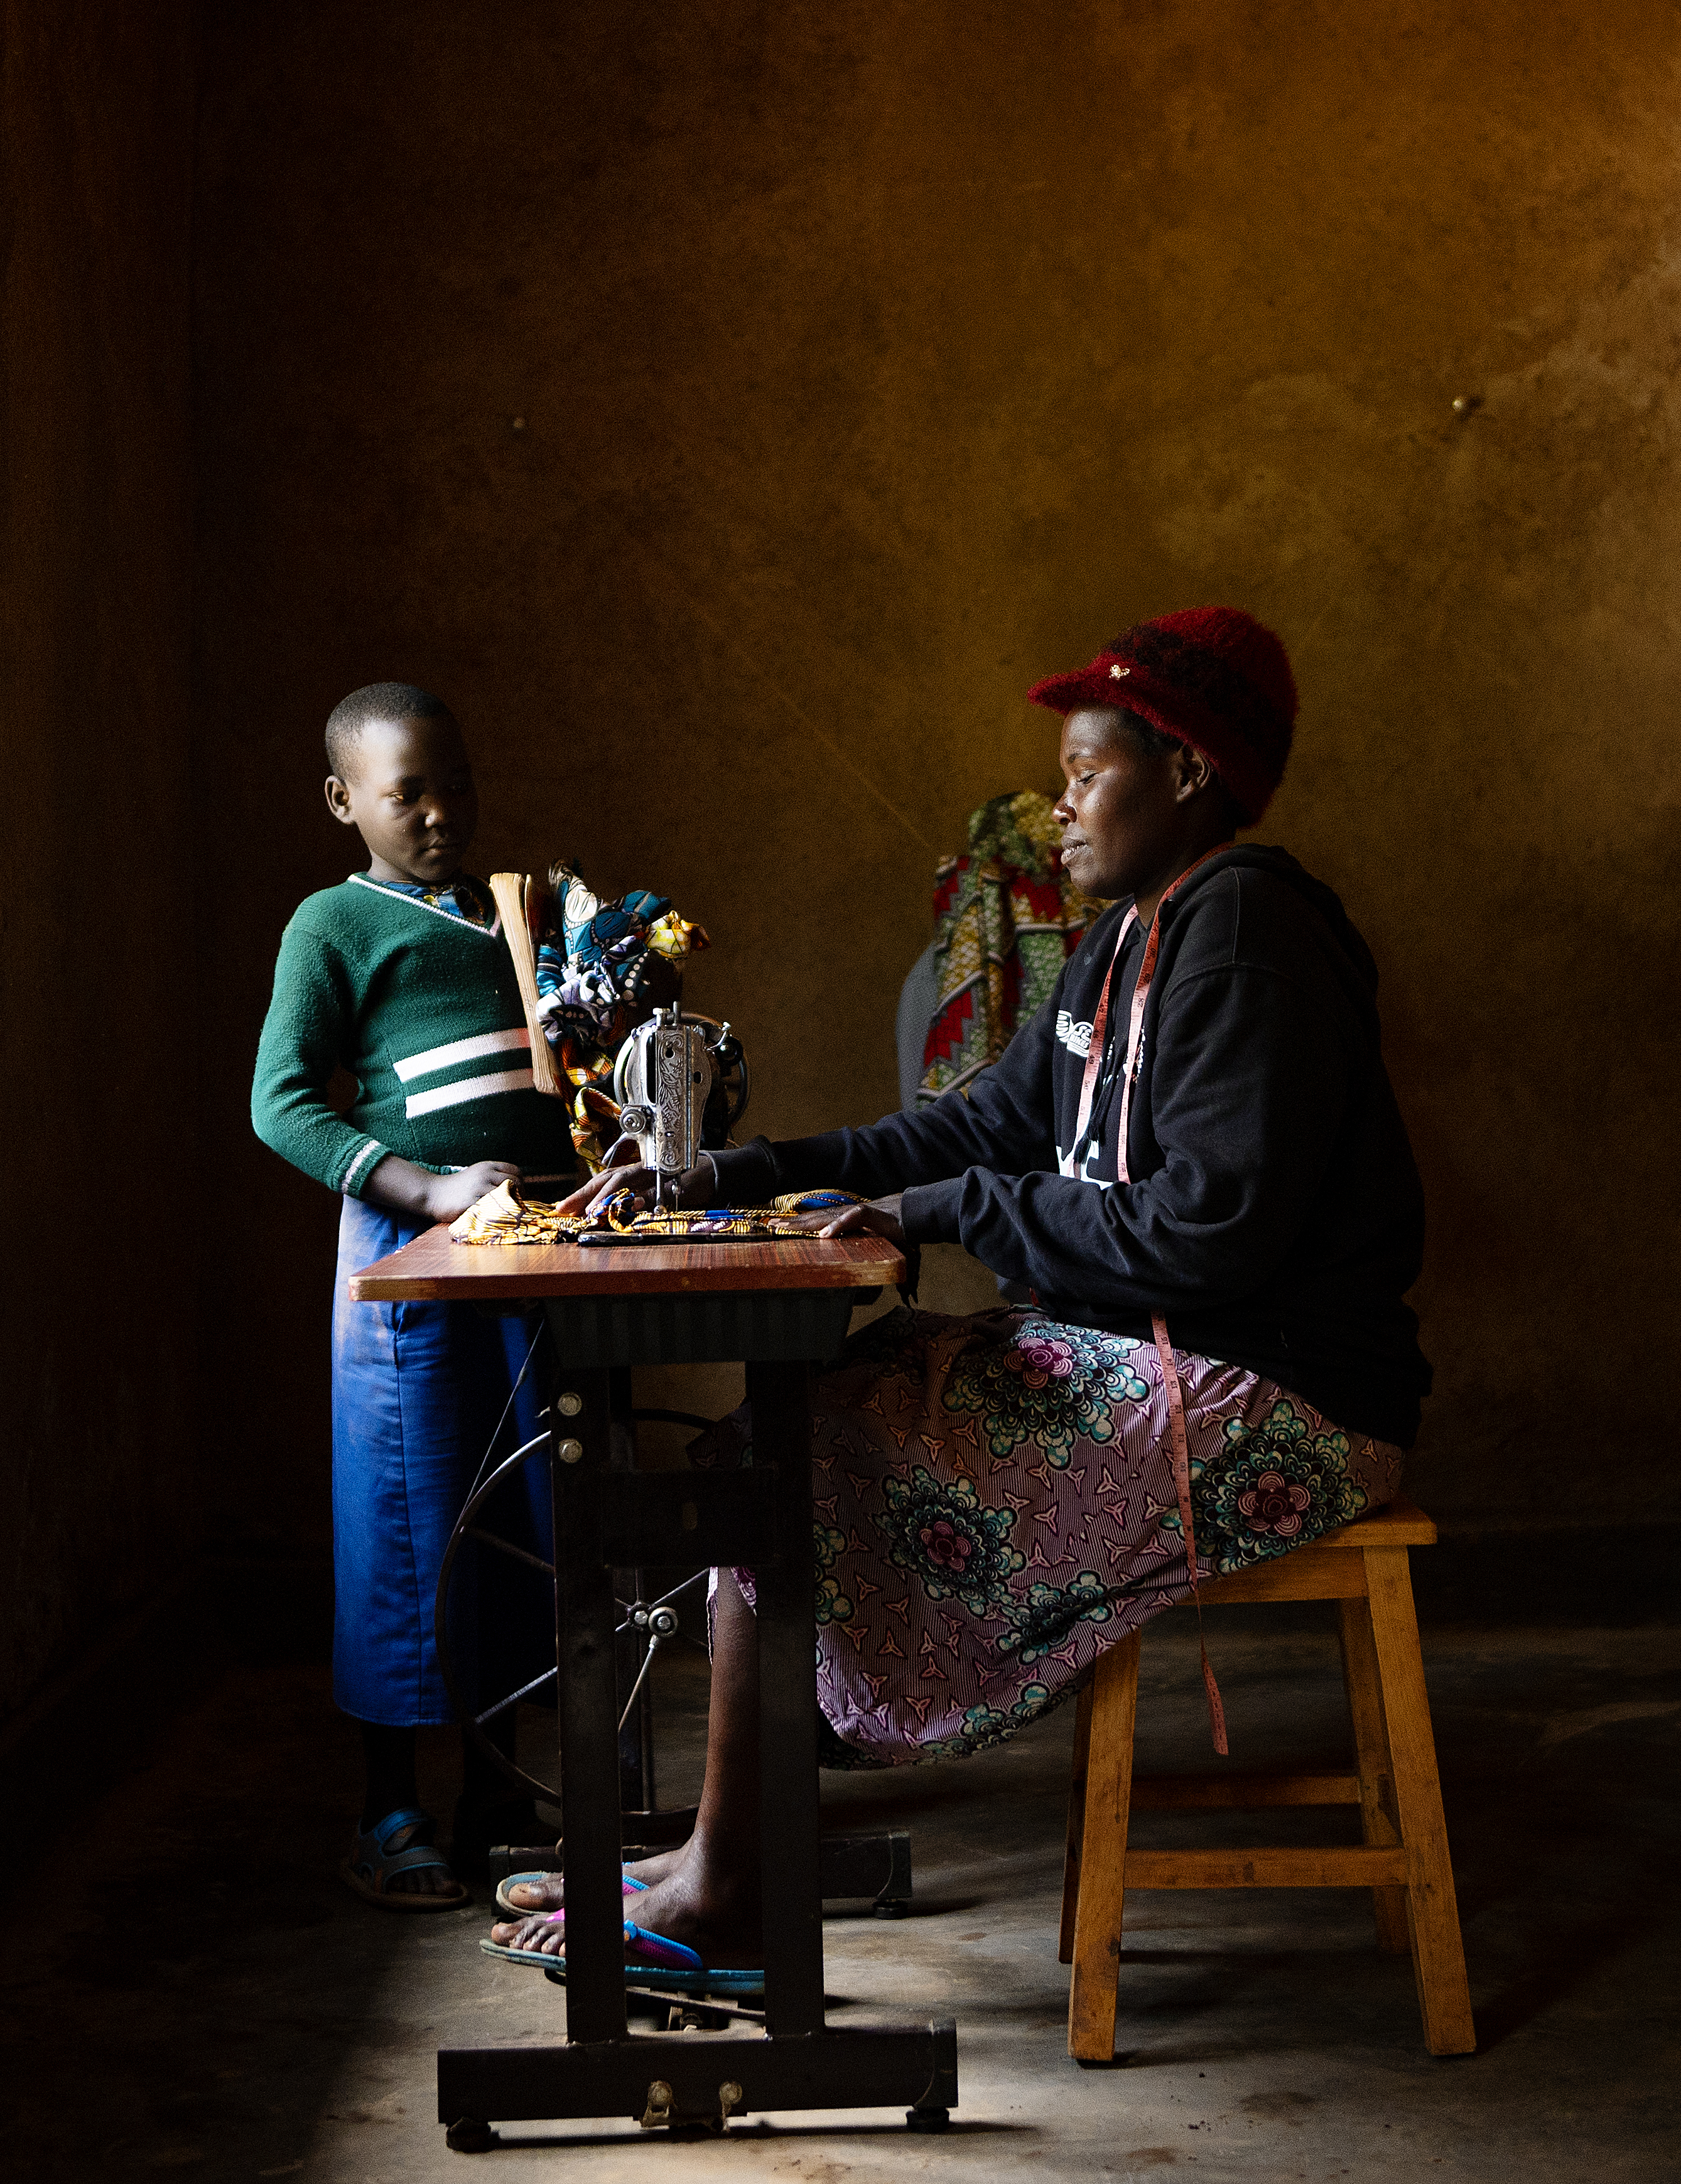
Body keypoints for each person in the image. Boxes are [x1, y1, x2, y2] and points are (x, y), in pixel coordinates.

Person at [487, 606, 1428, 1989]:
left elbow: (1207, 1236)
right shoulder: (1120, 946)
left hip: (1282, 1402)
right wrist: (730, 1174)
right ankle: (732, 1857)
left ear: (1185, 772)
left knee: (780, 1455)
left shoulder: (1251, 933)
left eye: (1085, 772)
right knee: (772, 1435)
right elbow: (964, 1126)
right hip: (1168, 1363)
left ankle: (728, 1877)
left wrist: (932, 1216)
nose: (1057, 809)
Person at [252, 682, 564, 1910]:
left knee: (522, 1521)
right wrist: (424, 1188)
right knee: (405, 1524)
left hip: (527, 1258)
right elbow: (281, 1102)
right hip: (408, 1270)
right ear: (343, 802)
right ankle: (389, 1808)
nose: (441, 813)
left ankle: (499, 1793)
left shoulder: (512, 919)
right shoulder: (331, 924)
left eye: (457, 786)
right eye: (407, 794)